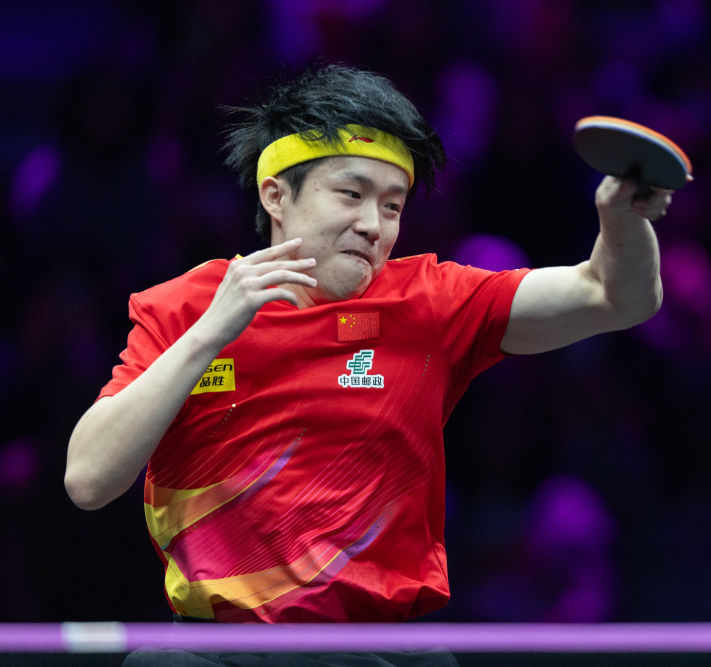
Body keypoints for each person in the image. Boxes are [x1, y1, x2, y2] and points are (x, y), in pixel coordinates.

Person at [64, 64, 670, 627]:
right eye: (350, 195)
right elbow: (88, 480)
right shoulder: (185, 308)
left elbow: (612, 296)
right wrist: (209, 334)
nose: (373, 226)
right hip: (218, 650)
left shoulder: (432, 303)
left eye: (392, 206)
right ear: (276, 196)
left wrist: (623, 219)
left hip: (379, 649)